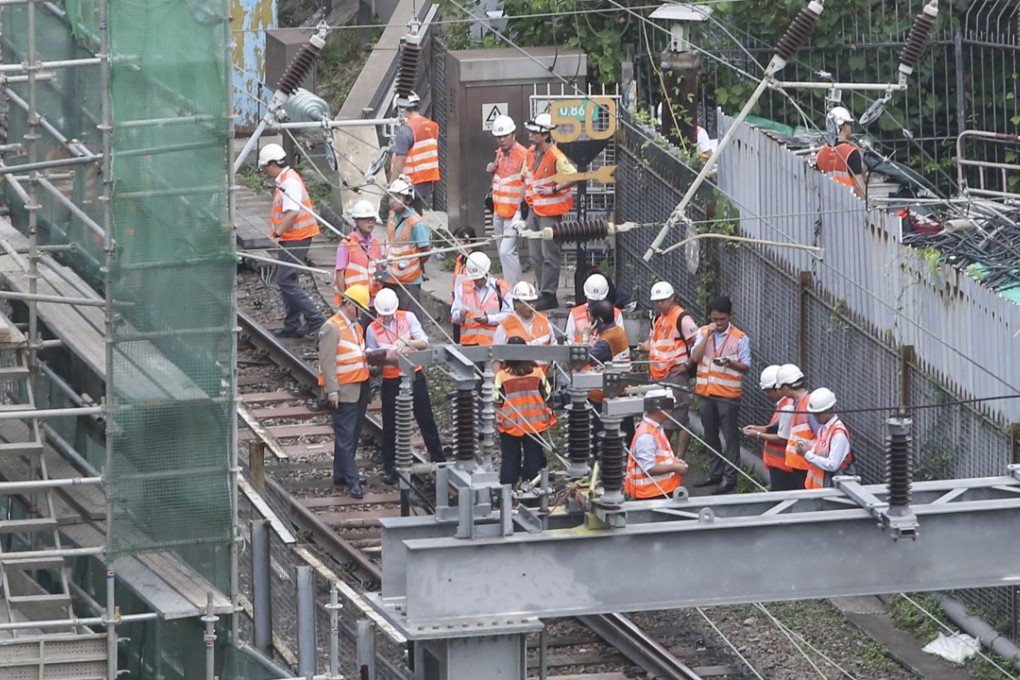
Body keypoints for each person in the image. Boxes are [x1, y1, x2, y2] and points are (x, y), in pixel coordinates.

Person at [366, 288, 445, 485]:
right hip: (392, 379)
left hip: (414, 375)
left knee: (425, 418)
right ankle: (390, 465)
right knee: (390, 423)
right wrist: (385, 357)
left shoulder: (407, 318)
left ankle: (439, 461)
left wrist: (407, 342)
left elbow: (424, 342)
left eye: (388, 314)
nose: (385, 318)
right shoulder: (372, 329)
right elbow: (371, 357)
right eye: (382, 315)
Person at [259, 143, 325, 338]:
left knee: (285, 279)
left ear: (272, 164)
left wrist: (277, 233)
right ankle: (292, 323)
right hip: (292, 237)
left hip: (297, 236)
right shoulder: (286, 180)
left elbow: (292, 212)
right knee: (289, 278)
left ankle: (314, 317)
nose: (264, 171)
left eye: (264, 167)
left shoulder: (290, 183)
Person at [689, 295, 751, 495]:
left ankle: (730, 477)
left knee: (730, 437)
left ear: (729, 316)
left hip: (728, 396)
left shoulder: (740, 337)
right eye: (715, 318)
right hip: (706, 394)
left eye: (722, 319)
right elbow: (695, 357)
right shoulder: (703, 332)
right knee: (710, 434)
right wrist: (708, 335)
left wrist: (730, 363)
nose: (718, 323)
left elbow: (746, 366)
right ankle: (715, 473)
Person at [318, 284, 372, 499]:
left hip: (359, 386)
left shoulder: (355, 326)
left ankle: (341, 473)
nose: (363, 313)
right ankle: (352, 480)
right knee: (345, 435)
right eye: (360, 308)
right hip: (345, 389)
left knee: (352, 433)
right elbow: (327, 362)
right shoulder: (332, 327)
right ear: (350, 304)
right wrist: (332, 391)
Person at [636, 281, 698, 458]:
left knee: (679, 417)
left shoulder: (681, 318)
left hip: (674, 374)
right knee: (663, 416)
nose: (659, 304)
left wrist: (687, 364)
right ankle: (667, 453)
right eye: (656, 301)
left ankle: (678, 457)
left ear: (672, 298)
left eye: (662, 300)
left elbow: (697, 341)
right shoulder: (658, 319)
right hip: (659, 375)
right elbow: (655, 342)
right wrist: (645, 347)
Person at [523, 113, 577, 311]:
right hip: (534, 210)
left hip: (550, 212)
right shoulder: (530, 153)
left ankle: (549, 293)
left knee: (549, 254)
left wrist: (554, 189)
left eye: (534, 132)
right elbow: (526, 178)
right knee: (536, 254)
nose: (530, 135)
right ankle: (542, 291)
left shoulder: (555, 156)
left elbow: (574, 176)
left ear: (545, 135)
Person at [494, 337, 555, 486]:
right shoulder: (537, 373)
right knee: (533, 457)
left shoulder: (501, 376)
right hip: (535, 423)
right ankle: (532, 491)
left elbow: (496, 399)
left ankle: (506, 490)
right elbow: (547, 393)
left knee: (510, 458)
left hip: (510, 424)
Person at [586, 300, 635, 450]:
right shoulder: (618, 331)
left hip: (606, 394)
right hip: (621, 388)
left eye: (591, 319)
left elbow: (587, 359)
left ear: (598, 321)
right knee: (626, 434)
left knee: (601, 437)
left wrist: (586, 336)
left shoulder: (607, 340)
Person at [741, 365, 799, 491]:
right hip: (781, 465)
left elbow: (782, 438)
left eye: (768, 391)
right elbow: (777, 428)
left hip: (784, 467)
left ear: (777, 388)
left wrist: (757, 434)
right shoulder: (785, 404)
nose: (768, 395)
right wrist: (758, 428)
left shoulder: (787, 407)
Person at [486, 115, 527, 285]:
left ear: (513, 135)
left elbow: (525, 183)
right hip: (499, 211)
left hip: (513, 214)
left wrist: (519, 212)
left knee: (506, 252)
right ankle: (508, 286)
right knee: (502, 251)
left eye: (505, 136)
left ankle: (515, 289)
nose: (501, 140)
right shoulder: (500, 154)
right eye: (498, 137)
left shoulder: (523, 155)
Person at [626, 388, 689, 499]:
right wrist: (674, 467)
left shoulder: (654, 428)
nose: (672, 410)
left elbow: (660, 457)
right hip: (652, 494)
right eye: (670, 407)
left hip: (659, 491)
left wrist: (674, 462)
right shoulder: (647, 436)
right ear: (660, 409)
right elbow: (649, 468)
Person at [382, 175, 431, 313]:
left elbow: (425, 250)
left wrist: (415, 265)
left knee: (411, 317)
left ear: (408, 199)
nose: (392, 201)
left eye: (397, 197)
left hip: (408, 281)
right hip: (389, 276)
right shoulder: (392, 216)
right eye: (391, 197)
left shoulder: (416, 223)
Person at [794, 387, 857, 488]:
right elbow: (821, 451)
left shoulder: (838, 434)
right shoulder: (823, 429)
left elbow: (832, 465)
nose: (815, 417)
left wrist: (807, 454)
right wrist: (808, 448)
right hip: (821, 488)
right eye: (814, 414)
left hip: (832, 491)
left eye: (818, 414)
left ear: (828, 410)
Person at [389, 91, 440, 212]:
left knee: (394, 212)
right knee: (416, 213)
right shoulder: (433, 126)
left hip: (409, 182)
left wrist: (392, 183)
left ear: (402, 109)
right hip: (426, 181)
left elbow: (401, 159)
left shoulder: (406, 130)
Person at [451, 251, 512, 347]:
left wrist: (489, 319)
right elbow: (455, 317)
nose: (478, 282)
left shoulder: (501, 288)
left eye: (481, 278)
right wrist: (461, 314)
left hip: (494, 344)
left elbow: (509, 316)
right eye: (475, 279)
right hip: (469, 344)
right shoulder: (462, 288)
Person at [335, 199, 383, 308]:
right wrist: (344, 299)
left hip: (373, 301)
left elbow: (380, 270)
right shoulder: (346, 244)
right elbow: (340, 274)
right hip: (354, 301)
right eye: (366, 219)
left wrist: (380, 285)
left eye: (372, 219)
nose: (370, 222)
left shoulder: (376, 243)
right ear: (356, 221)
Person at [816, 106, 867, 200]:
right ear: (843, 125)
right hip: (848, 203)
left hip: (827, 202)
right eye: (850, 124)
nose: (851, 127)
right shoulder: (851, 153)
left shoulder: (820, 154)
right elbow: (859, 187)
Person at [778, 363, 815, 490]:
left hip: (806, 466)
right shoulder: (798, 405)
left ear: (787, 387)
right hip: (801, 464)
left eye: (781, 387)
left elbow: (821, 437)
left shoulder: (808, 406)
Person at [565, 273, 623, 344]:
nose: (595, 306)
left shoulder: (616, 314)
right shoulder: (575, 314)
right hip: (580, 354)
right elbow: (569, 341)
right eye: (592, 301)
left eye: (597, 302)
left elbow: (619, 341)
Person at [492, 281, 552, 347]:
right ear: (515, 303)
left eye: (533, 302)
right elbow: (497, 354)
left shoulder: (545, 322)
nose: (531, 305)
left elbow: (555, 350)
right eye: (527, 302)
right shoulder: (504, 327)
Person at [450, 226, 481, 343]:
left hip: (470, 309)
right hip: (458, 305)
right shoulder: (460, 259)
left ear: (468, 242)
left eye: (457, 242)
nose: (454, 245)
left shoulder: (476, 261)